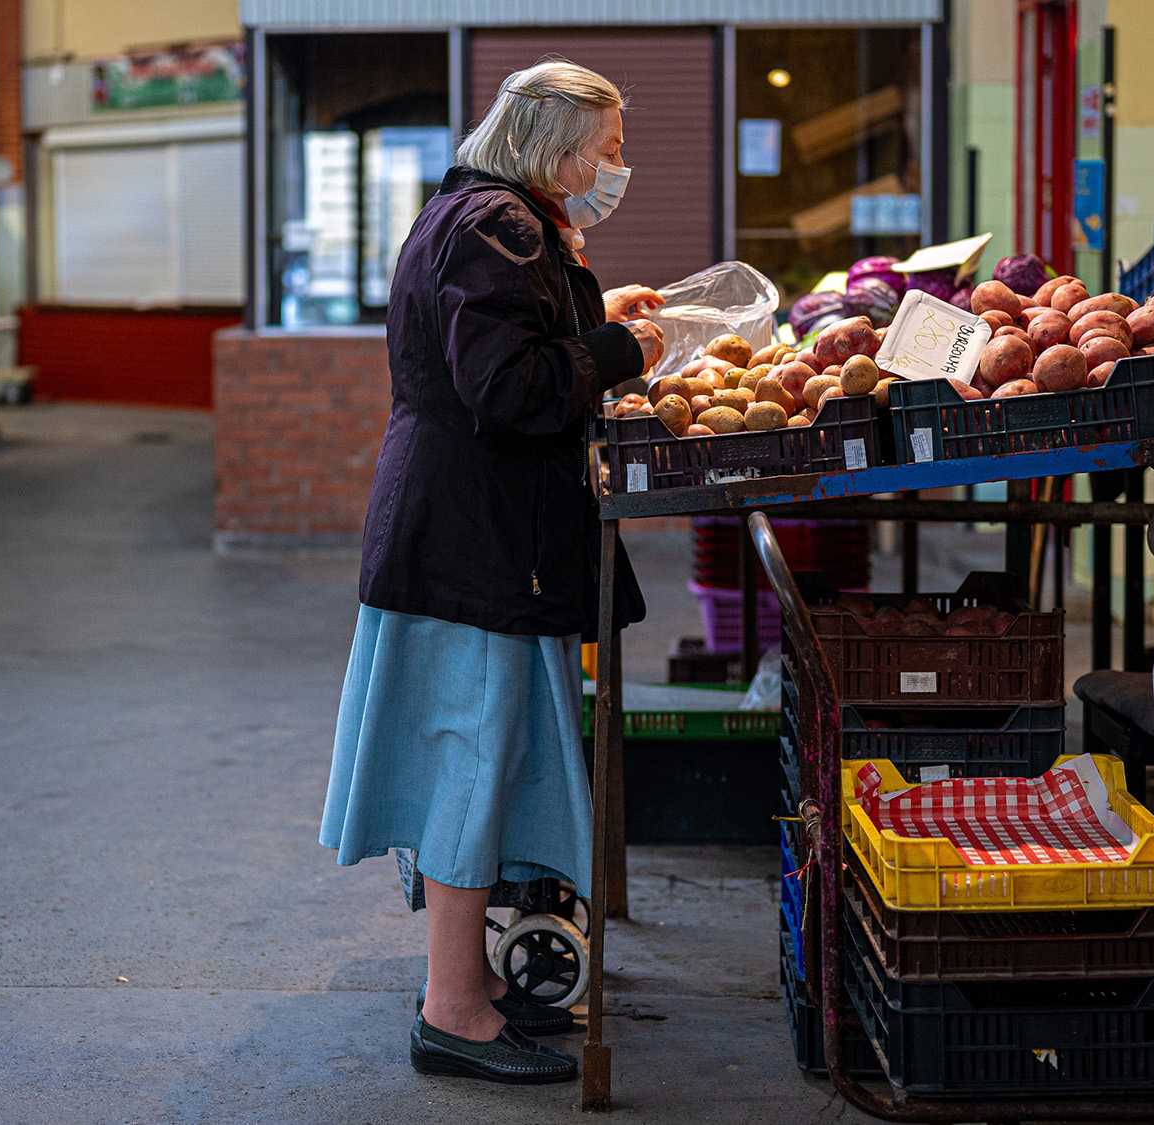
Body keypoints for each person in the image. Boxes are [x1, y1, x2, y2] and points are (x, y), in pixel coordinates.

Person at [317, 60, 664, 1085]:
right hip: (472, 537)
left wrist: (592, 320)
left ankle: (471, 984)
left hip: (465, 530)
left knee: (477, 761)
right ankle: (453, 1011)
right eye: (601, 151)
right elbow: (507, 387)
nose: (610, 169)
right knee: (467, 768)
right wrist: (617, 349)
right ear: (549, 145)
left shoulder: (489, 219)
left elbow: (508, 344)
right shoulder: (494, 227)